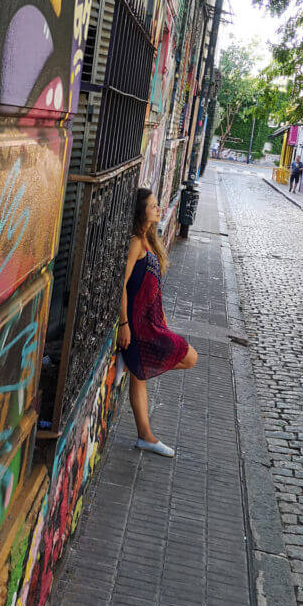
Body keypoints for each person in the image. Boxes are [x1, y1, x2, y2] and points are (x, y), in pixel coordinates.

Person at [117, 188, 198, 457]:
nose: (158, 208)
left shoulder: (149, 239)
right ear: (141, 211)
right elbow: (122, 284)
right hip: (139, 326)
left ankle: (145, 437)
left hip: (152, 321)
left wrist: (161, 316)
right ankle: (132, 362)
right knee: (190, 357)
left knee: (139, 375)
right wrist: (124, 324)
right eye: (152, 206)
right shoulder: (136, 244)